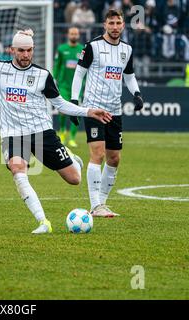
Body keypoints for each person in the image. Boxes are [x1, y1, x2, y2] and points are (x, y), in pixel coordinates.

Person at [0, 29, 112, 234]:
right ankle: (43, 222)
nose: (26, 55)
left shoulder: (43, 75)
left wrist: (88, 111)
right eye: (21, 50)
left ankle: (72, 158)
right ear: (12, 50)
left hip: (42, 133)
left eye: (29, 50)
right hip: (13, 135)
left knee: (74, 179)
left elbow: (60, 104)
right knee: (18, 169)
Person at [71, 9, 144, 217]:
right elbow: (79, 73)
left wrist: (137, 93)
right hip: (94, 109)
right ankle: (94, 205)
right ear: (105, 25)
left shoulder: (127, 50)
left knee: (114, 159)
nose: (114, 27)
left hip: (115, 111)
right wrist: (76, 102)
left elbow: (129, 76)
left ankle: (102, 203)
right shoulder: (93, 46)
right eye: (111, 23)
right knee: (98, 154)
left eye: (118, 23)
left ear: (123, 25)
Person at [53, 26, 84, 148]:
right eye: (72, 33)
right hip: (64, 85)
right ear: (68, 35)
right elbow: (57, 65)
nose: (74, 36)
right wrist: (53, 78)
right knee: (63, 110)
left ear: (78, 35)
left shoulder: (82, 50)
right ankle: (61, 131)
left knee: (76, 111)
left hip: (77, 86)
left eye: (76, 34)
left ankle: (72, 137)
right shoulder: (61, 49)